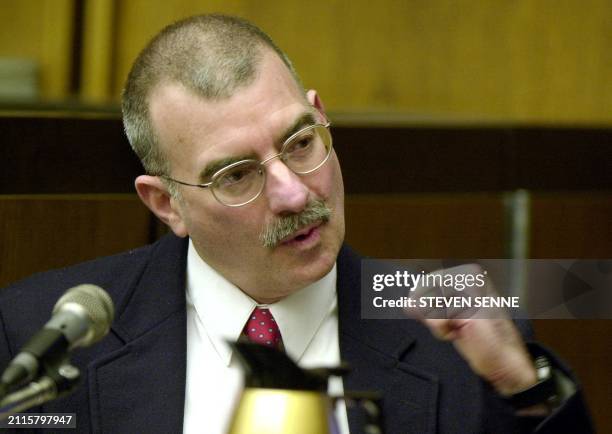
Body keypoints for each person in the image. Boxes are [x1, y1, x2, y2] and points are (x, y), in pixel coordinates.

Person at [0, 14, 593, 434]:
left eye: (301, 142)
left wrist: (524, 388)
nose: (292, 191)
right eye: (236, 175)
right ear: (167, 205)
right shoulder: (35, 336)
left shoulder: (460, 343)